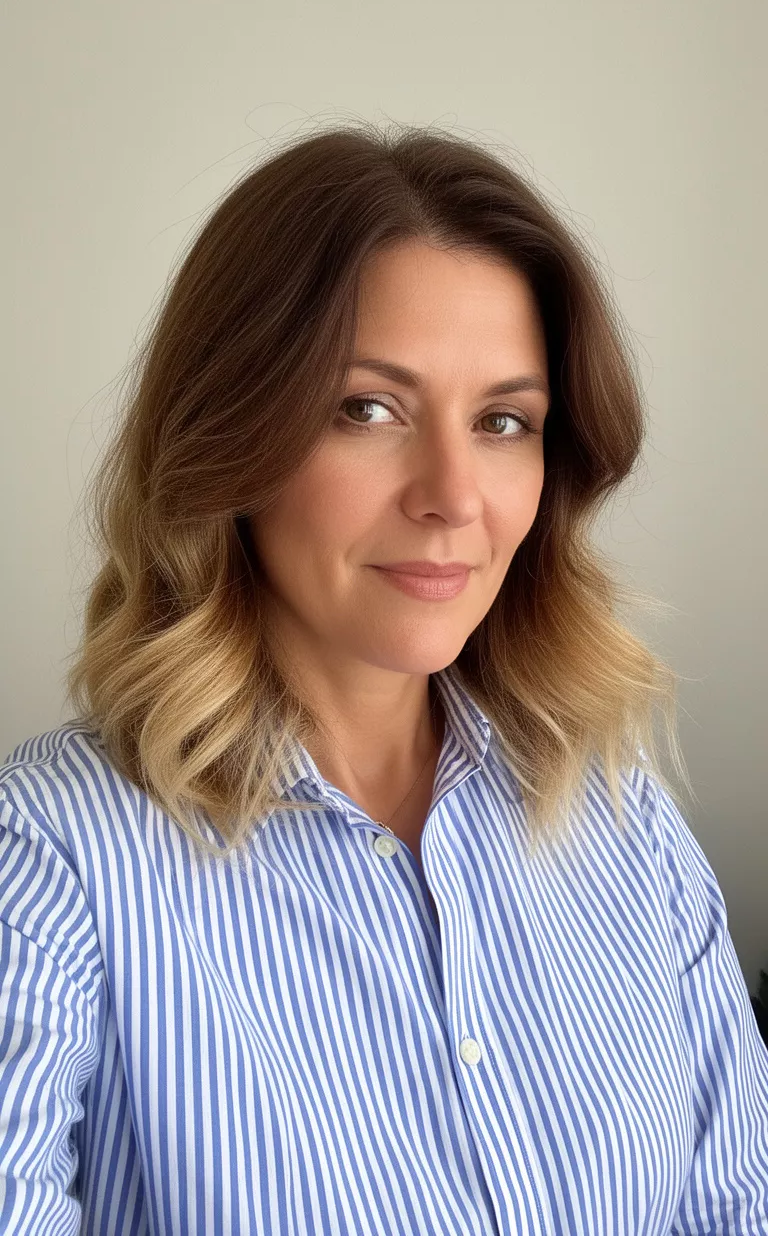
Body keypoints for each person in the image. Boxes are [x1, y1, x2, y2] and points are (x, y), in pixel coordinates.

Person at [1, 122, 766, 1235]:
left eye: (503, 422)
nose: (453, 495)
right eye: (367, 408)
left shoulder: (625, 823)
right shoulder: (48, 861)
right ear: (229, 436)